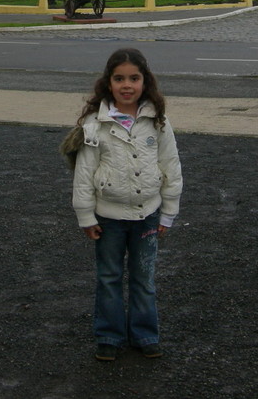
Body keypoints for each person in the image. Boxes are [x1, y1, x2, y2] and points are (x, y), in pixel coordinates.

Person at [71, 48, 183, 362]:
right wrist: (85, 214)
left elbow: (171, 164)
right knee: (108, 276)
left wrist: (169, 210)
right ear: (108, 83)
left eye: (134, 78)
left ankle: (146, 333)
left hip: (148, 214)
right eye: (119, 78)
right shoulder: (96, 124)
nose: (126, 85)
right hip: (107, 217)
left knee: (143, 276)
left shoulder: (157, 121)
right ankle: (109, 335)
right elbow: (84, 171)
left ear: (145, 82)